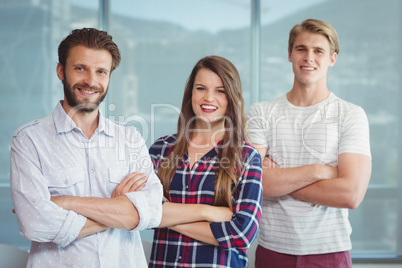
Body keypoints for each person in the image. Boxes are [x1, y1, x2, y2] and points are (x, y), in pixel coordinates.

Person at [10, 28, 163, 267]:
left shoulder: (130, 137)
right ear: (61, 71)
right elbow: (36, 224)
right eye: (80, 68)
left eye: (101, 71)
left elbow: (152, 211)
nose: (91, 81)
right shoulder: (29, 140)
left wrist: (67, 202)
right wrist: (117, 209)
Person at [247, 19, 372, 267]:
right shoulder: (261, 113)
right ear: (290, 54)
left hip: (330, 252)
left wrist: (278, 178)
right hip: (273, 250)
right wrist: (319, 171)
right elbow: (253, 183)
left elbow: (351, 194)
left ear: (332, 58)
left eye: (318, 51)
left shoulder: (350, 114)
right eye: (302, 49)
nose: (309, 57)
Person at [148, 56, 263, 267]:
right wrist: (207, 212)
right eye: (201, 88)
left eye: (220, 90)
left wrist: (166, 217)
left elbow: (242, 234)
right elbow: (141, 211)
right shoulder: (160, 150)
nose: (208, 98)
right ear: (191, 93)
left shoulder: (246, 156)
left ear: (231, 97)